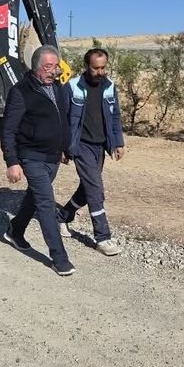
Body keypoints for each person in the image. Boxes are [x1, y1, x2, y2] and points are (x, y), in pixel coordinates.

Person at [0, 45, 75, 276]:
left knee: (34, 196)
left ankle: (15, 230)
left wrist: (65, 148)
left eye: (56, 66)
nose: (53, 71)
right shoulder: (21, 91)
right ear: (36, 67)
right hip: (31, 157)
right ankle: (59, 258)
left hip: (53, 157)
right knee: (45, 202)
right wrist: (12, 161)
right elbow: (8, 130)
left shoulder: (60, 88)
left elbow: (63, 119)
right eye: (48, 66)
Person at [59, 48, 125, 256]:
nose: (100, 72)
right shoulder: (72, 87)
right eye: (96, 68)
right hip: (80, 145)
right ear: (87, 66)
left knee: (87, 188)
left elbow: (115, 117)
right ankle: (103, 237)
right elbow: (62, 118)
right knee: (96, 189)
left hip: (100, 145)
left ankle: (62, 216)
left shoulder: (109, 86)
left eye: (103, 67)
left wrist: (118, 142)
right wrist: (62, 147)